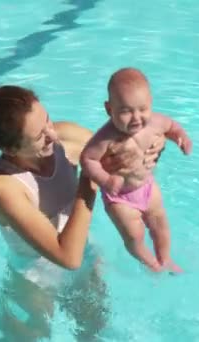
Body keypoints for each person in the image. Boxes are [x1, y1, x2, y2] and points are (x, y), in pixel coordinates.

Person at [0, 85, 166, 341]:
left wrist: (151, 144)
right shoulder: (3, 185)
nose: (53, 134)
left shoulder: (65, 137)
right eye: (40, 136)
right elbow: (67, 257)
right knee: (35, 337)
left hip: (85, 255)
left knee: (93, 332)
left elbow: (127, 155)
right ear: (11, 150)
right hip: (35, 277)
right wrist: (89, 179)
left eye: (48, 121)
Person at [80, 67, 192, 274]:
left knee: (160, 224)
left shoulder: (156, 122)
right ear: (109, 109)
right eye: (125, 111)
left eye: (143, 109)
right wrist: (106, 180)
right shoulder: (105, 137)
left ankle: (165, 259)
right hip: (120, 199)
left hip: (147, 187)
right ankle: (152, 265)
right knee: (134, 236)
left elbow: (172, 127)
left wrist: (180, 138)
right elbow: (87, 159)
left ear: (151, 104)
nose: (136, 118)